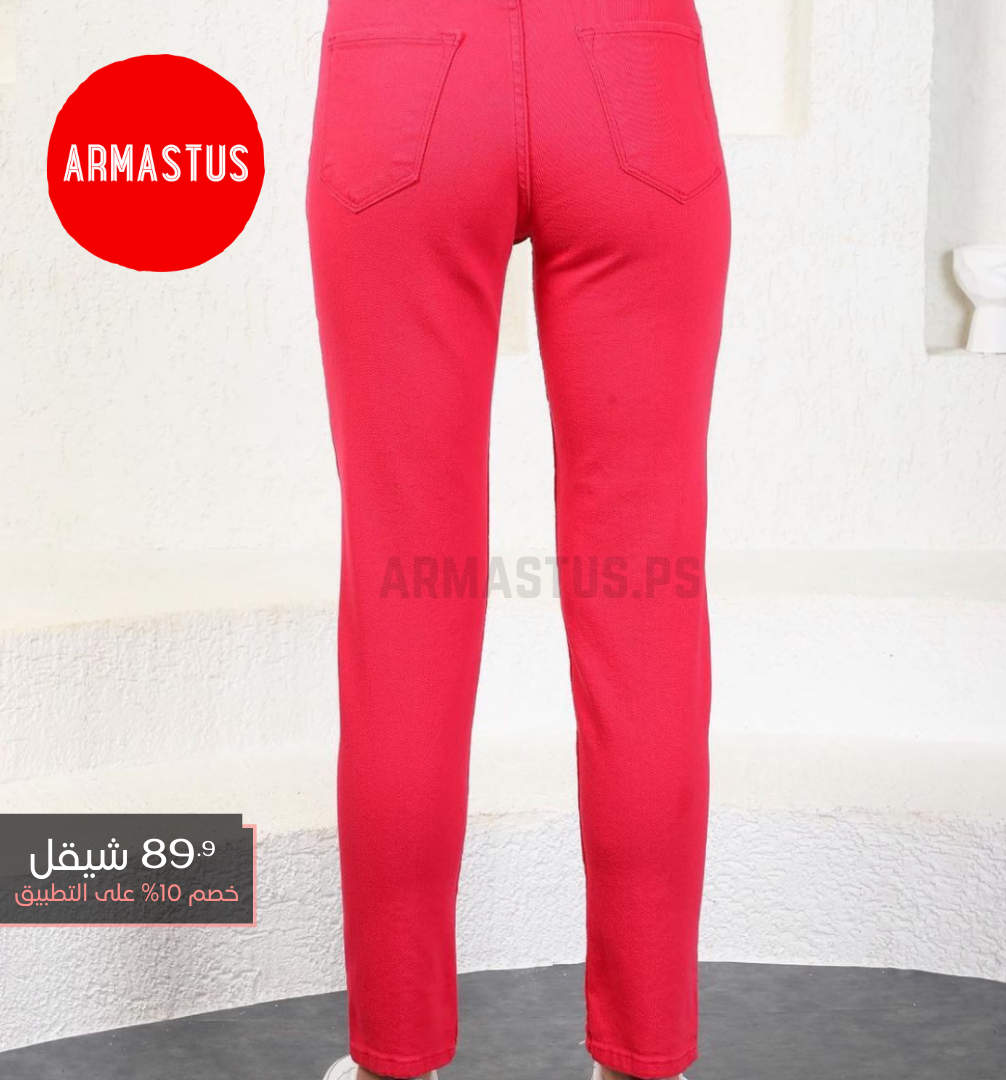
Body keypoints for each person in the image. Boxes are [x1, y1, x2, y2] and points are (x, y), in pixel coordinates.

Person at [306, 0, 731, 1076]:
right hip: (633, 63)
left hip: (401, 60)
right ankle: (645, 1054)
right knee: (645, 589)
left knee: (403, 589)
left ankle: (396, 1053)